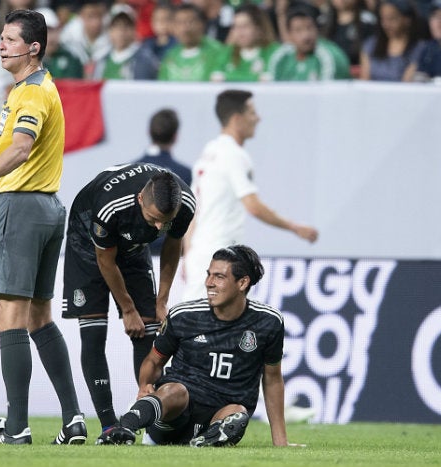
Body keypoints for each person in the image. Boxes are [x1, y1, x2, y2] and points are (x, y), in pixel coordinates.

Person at [0, 9, 86, 445]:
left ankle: (16, 427)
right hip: (47, 208)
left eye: (11, 39)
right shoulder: (27, 91)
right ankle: (72, 420)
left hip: (20, 207)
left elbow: (20, 149)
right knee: (38, 319)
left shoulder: (30, 96)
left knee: (10, 318)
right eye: (1, 38)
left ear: (33, 48)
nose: (1, 45)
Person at [104, 245, 291, 447]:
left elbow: (272, 379)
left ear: (242, 282)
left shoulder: (268, 322)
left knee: (238, 413)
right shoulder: (184, 315)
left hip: (221, 413)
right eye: (208, 275)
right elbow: (153, 360)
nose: (209, 283)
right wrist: (144, 386)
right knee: (174, 390)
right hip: (176, 413)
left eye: (219, 277)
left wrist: (281, 442)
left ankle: (205, 442)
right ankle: (123, 429)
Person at [62, 167, 195, 444]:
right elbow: (105, 261)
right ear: (140, 200)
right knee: (94, 332)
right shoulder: (111, 207)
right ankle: (109, 426)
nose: (159, 227)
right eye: (154, 219)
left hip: (134, 247)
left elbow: (172, 247)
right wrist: (128, 309)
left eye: (164, 221)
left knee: (148, 331)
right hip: (90, 245)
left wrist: (162, 300)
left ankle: (147, 422)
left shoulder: (184, 205)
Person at [182, 90, 318, 301]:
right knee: (197, 324)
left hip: (202, 252)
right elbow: (254, 206)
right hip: (219, 253)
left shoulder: (210, 151)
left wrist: (188, 254)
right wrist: (295, 227)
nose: (258, 118)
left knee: (202, 321)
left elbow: (193, 209)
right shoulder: (235, 156)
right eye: (252, 113)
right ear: (237, 118)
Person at [133, 109, 192, 255]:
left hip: (136, 252)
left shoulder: (131, 170)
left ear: (149, 132)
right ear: (175, 137)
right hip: (171, 252)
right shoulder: (184, 174)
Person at [268, 8, 351, 80]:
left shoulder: (329, 56)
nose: (306, 36)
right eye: (298, 30)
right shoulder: (281, 57)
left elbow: (327, 93)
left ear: (317, 30)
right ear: (289, 35)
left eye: (309, 28)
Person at [359, 0, 427, 81]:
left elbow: (407, 84)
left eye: (392, 19)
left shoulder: (419, 48)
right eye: (383, 19)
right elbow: (365, 81)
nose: (386, 24)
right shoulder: (371, 45)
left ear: (407, 20)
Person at [211, 3, 280, 82]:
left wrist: (227, 77)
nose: (240, 33)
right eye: (235, 27)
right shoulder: (228, 52)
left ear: (259, 28)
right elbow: (215, 78)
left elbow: (270, 79)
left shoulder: (274, 52)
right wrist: (255, 78)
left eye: (245, 26)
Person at [158, 3, 225, 81]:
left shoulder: (218, 51)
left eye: (190, 21)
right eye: (179, 23)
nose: (185, 28)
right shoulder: (170, 56)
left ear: (202, 24)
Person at [92, 4, 157, 80]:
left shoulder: (143, 60)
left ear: (134, 29)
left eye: (126, 26)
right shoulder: (102, 61)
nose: (121, 32)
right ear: (109, 30)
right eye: (116, 26)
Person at [37, 7, 84, 79]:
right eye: (44, 31)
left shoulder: (71, 58)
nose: (50, 37)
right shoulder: (26, 61)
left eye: (53, 30)